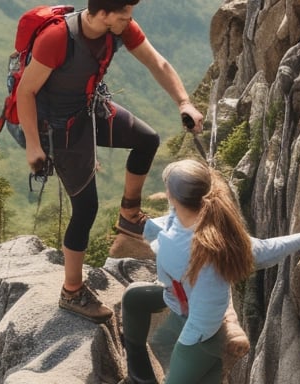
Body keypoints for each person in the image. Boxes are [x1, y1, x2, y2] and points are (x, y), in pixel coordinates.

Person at [17, 0, 204, 323]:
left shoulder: (118, 28)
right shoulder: (57, 39)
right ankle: (72, 291)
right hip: (57, 129)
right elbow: (26, 92)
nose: (129, 21)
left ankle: (129, 216)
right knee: (86, 207)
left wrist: (184, 103)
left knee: (147, 140)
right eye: (124, 15)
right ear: (102, 14)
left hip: (89, 110)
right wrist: (33, 146)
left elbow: (156, 63)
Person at [120, 159, 300, 383]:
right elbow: (265, 250)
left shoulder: (198, 250)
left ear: (171, 196)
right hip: (183, 304)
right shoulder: (213, 227)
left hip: (201, 336)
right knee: (134, 298)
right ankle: (140, 376)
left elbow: (204, 316)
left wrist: (185, 345)